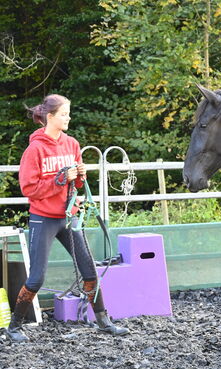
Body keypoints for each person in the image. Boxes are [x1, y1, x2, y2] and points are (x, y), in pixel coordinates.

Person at [4, 94, 128, 342]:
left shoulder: (72, 144)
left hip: (69, 216)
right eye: (64, 114)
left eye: (68, 113)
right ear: (50, 117)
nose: (68, 118)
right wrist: (60, 178)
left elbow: (77, 184)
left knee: (89, 270)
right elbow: (29, 189)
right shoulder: (34, 149)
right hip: (43, 218)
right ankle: (14, 327)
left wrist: (80, 175)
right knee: (37, 277)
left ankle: (103, 321)